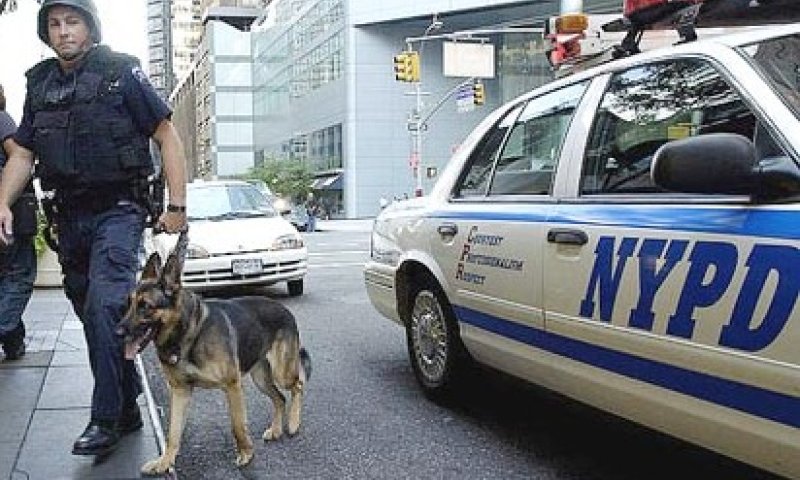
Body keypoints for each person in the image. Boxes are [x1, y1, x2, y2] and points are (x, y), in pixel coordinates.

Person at [0, 0, 187, 457]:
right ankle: (126, 404)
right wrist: (2, 201)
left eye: (73, 22)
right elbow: (23, 153)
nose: (63, 32)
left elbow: (166, 133)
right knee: (92, 316)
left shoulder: (122, 72)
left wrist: (178, 205)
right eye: (55, 24)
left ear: (90, 27)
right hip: (69, 219)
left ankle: (104, 420)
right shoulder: (39, 83)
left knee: (107, 306)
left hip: (119, 211)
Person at [0, 83, 36, 361]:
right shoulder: (1, 119)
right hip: (11, 212)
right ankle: (8, 334)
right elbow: (19, 154)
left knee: (7, 277)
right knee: (19, 275)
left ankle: (14, 342)